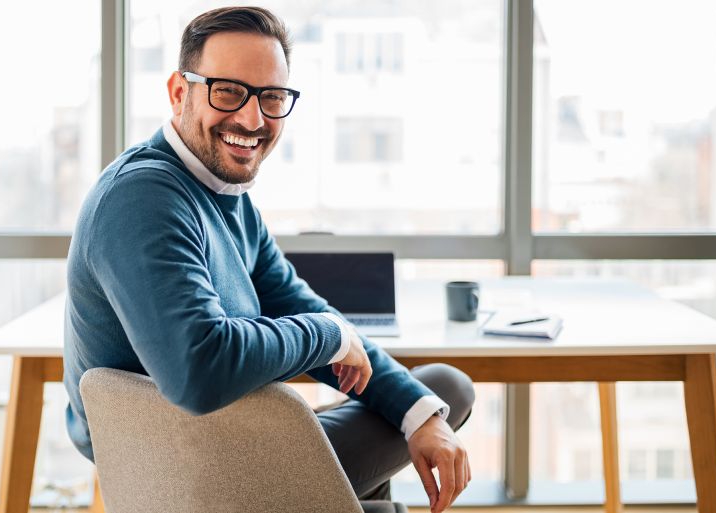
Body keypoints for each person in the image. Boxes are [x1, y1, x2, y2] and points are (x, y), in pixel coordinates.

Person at [64, 6, 475, 512]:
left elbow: (295, 302)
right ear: (178, 91)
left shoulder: (225, 196)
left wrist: (414, 411)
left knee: (437, 396)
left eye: (272, 97)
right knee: (405, 458)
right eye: (229, 91)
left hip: (238, 444)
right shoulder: (143, 198)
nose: (252, 118)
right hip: (182, 468)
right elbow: (199, 371)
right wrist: (328, 336)